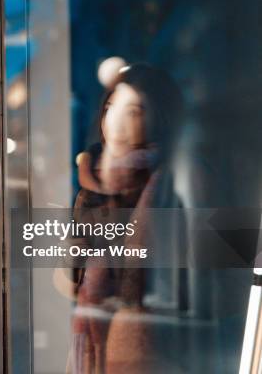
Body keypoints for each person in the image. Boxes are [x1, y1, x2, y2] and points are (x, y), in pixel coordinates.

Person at [68, 63, 184, 373]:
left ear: (158, 118)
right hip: (95, 343)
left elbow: (179, 288)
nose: (116, 124)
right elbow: (67, 280)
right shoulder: (92, 191)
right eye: (110, 108)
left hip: (156, 349)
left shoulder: (167, 186)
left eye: (133, 112)